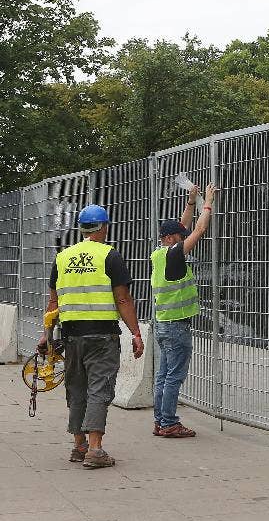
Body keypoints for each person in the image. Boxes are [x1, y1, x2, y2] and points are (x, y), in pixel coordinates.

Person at [37, 204, 144, 469]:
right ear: (104, 227)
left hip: (71, 335)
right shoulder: (110, 255)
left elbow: (53, 302)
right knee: (99, 388)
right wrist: (136, 332)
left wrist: (46, 336)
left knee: (76, 389)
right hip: (102, 335)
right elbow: (122, 298)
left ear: (82, 228)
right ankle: (95, 449)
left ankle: (79, 445)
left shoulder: (62, 258)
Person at [151, 182, 218, 438]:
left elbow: (184, 227)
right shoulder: (173, 254)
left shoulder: (160, 253)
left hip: (163, 323)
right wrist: (208, 202)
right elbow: (199, 229)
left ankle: (160, 421)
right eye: (179, 237)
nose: (183, 238)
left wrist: (191, 202)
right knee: (173, 377)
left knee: (163, 375)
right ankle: (169, 423)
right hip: (176, 326)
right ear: (170, 239)